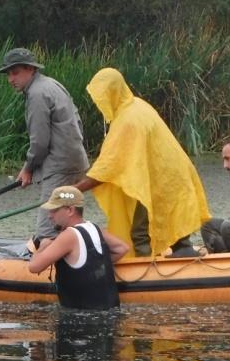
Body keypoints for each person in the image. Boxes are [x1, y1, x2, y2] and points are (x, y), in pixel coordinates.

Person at [74, 67, 210, 258]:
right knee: (170, 221)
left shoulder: (128, 120)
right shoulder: (137, 105)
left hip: (159, 178)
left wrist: (75, 189)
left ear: (112, 92)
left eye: (102, 95)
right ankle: (183, 250)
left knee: (140, 232)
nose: (100, 102)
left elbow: (108, 166)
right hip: (172, 174)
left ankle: (145, 272)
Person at [0, 47, 89, 249]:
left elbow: (39, 142)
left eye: (15, 72)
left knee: (48, 227)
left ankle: (51, 270)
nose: (11, 79)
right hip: (76, 163)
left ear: (30, 69)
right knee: (69, 221)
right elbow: (78, 123)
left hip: (60, 168)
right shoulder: (52, 85)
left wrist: (28, 168)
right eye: (8, 74)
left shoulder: (37, 94)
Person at [28, 185, 129, 310]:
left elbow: (34, 267)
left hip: (81, 320)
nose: (49, 216)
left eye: (54, 210)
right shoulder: (94, 228)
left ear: (70, 210)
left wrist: (43, 247)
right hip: (110, 313)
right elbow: (122, 248)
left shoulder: (68, 236)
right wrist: (93, 266)